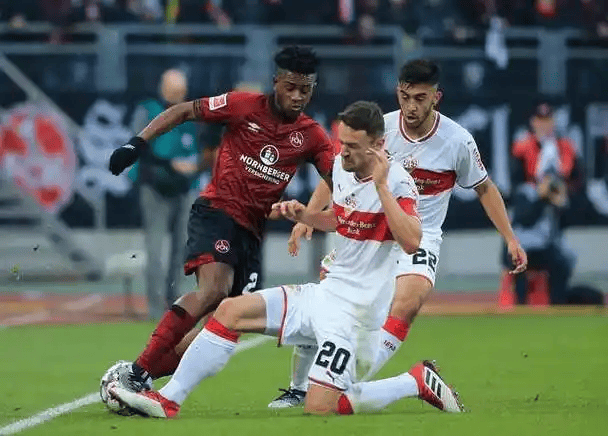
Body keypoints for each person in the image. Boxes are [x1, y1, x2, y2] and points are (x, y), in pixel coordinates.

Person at [108, 101, 464, 417]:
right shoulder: (342, 168)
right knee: (229, 311)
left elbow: (412, 242)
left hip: (354, 320)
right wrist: (305, 216)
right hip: (325, 296)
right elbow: (342, 219)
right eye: (341, 143)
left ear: (379, 145)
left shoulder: (399, 182)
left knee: (322, 407)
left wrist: (382, 187)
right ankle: (168, 400)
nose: (342, 153)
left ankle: (414, 382)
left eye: (353, 147)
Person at [268, 59, 528, 408]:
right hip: (368, 230)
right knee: (331, 304)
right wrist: (309, 218)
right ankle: (301, 387)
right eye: (405, 97)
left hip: (420, 235)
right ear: (397, 93)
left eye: (420, 98)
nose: (411, 107)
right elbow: (335, 175)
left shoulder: (457, 141)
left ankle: (350, 383)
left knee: (407, 302)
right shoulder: (380, 131)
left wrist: (510, 237)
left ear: (436, 97)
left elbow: (484, 188)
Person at [108, 46, 335, 390]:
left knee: (222, 326)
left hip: (252, 234)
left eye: (305, 89)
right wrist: (136, 144)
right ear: (276, 82)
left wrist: (313, 216)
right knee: (214, 290)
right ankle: (137, 371)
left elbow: (338, 180)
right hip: (217, 212)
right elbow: (184, 110)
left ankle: (143, 378)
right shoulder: (243, 104)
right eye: (290, 87)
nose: (297, 96)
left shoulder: (312, 135)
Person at [129, 69, 201, 320]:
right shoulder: (148, 110)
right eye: (174, 90)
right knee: (155, 248)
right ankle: (154, 307)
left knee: (183, 249)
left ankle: (177, 303)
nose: (179, 94)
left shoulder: (191, 113)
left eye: (182, 90)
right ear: (163, 88)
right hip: (154, 187)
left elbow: (200, 148)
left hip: (184, 188)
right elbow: (139, 145)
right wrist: (170, 164)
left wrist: (196, 166)